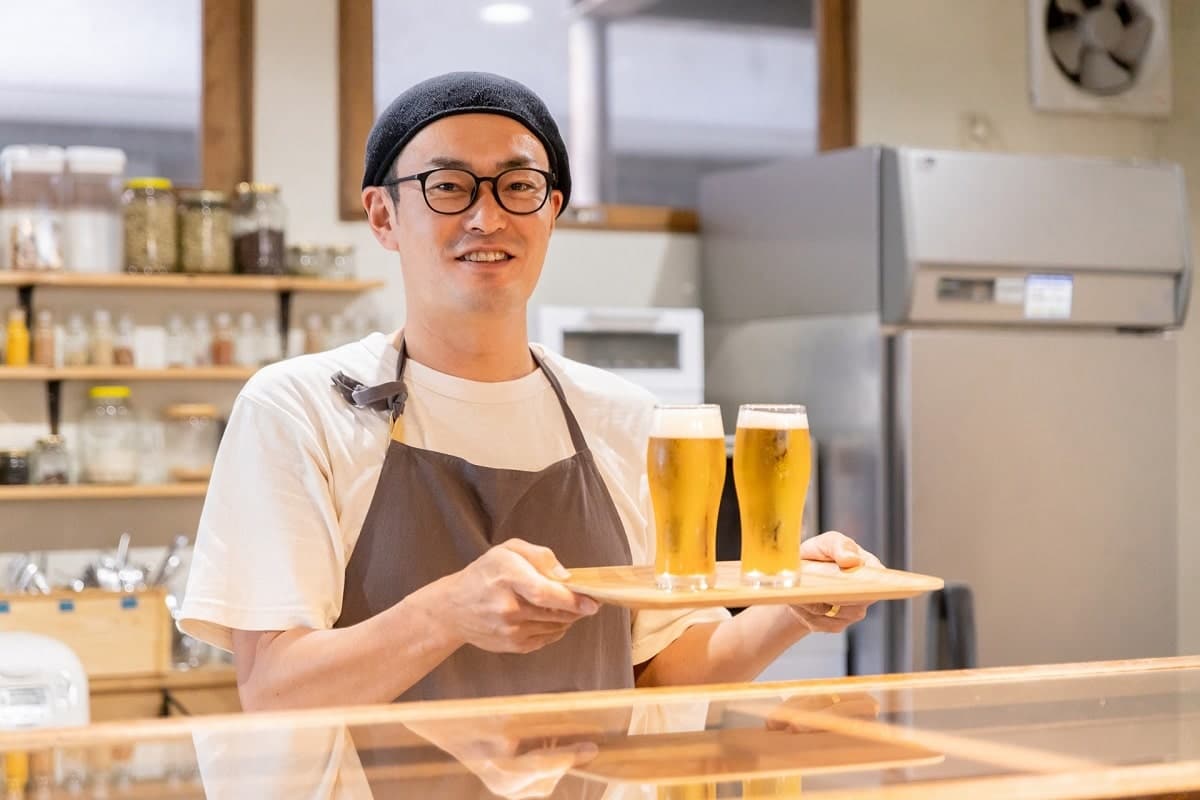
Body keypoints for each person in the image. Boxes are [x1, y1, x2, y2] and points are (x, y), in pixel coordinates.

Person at [179, 71, 883, 711]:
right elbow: (275, 690)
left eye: (518, 186)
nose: (487, 218)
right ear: (383, 216)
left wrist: (795, 606)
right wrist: (446, 613)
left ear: (552, 211)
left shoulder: (624, 418)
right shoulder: (299, 409)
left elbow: (659, 675)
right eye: (448, 185)